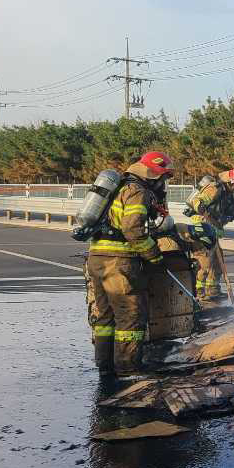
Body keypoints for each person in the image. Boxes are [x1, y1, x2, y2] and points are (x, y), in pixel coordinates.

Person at [85, 151, 173, 376]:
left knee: (106, 317)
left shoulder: (119, 187)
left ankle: (105, 366)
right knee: (130, 316)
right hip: (119, 263)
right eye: (163, 177)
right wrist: (154, 256)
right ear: (154, 175)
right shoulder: (137, 191)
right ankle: (128, 369)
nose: (163, 183)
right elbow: (133, 230)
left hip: (97, 258)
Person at [189, 167, 234, 303]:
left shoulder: (227, 194)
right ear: (232, 182)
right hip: (202, 230)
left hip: (213, 231)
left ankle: (213, 290)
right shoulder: (214, 189)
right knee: (204, 263)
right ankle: (197, 293)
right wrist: (203, 210)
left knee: (218, 262)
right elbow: (197, 202)